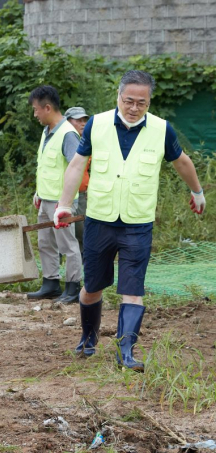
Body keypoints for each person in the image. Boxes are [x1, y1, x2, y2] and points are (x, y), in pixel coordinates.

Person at [54, 70, 206, 372]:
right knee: (92, 286)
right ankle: (88, 338)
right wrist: (64, 205)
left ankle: (127, 350)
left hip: (138, 222)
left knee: (133, 288)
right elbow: (76, 164)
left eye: (142, 103)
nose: (134, 108)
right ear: (118, 97)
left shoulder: (162, 129)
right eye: (129, 101)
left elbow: (182, 161)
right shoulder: (96, 124)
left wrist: (197, 191)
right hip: (100, 220)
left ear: (149, 102)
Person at [28, 86, 82, 304]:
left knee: (67, 245)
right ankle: (50, 283)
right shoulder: (47, 131)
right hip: (46, 199)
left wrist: (65, 202)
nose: (35, 114)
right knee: (46, 243)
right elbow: (47, 166)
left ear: (47, 108)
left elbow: (76, 167)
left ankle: (73, 286)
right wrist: (38, 192)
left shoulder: (67, 134)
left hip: (62, 203)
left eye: (36, 110)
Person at [64, 107, 91, 259]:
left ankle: (84, 260)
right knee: (74, 229)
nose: (83, 124)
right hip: (69, 194)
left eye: (84, 120)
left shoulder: (86, 141)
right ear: (68, 122)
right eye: (78, 120)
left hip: (84, 192)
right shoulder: (67, 140)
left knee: (83, 228)